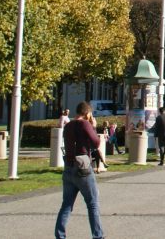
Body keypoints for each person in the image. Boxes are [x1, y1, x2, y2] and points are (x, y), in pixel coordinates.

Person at [55, 101, 104, 239]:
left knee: (66, 204)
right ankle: (98, 235)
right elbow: (96, 143)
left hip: (69, 167)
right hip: (83, 168)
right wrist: (93, 127)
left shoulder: (68, 125)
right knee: (92, 203)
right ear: (87, 113)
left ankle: (60, 235)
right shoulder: (85, 124)